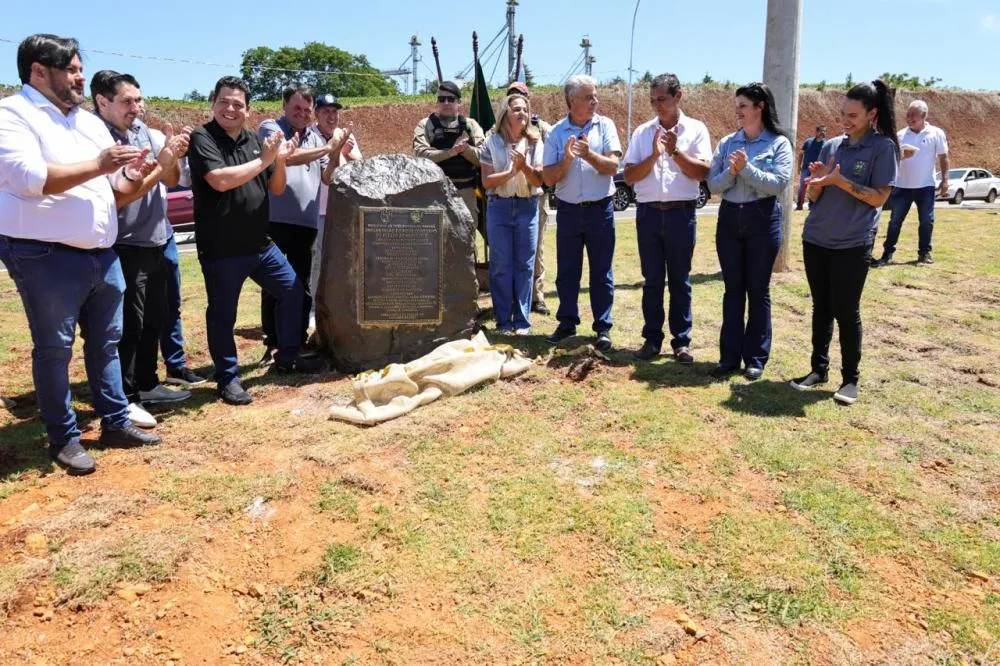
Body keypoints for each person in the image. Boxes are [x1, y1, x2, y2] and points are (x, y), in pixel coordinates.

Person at [0, 34, 161, 475]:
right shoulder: (12, 115)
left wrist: (132, 175)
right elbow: (31, 178)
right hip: (44, 255)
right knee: (55, 348)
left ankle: (113, 422)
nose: (80, 76)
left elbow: (114, 188)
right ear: (38, 70)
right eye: (70, 69)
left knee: (107, 344)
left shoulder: (87, 122)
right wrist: (103, 165)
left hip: (101, 254)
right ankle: (64, 437)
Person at [187, 76, 321, 407]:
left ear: (247, 110)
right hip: (221, 248)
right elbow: (218, 181)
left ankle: (287, 357)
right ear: (213, 104)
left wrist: (277, 160)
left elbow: (275, 188)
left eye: (238, 104)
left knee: (293, 292)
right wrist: (265, 158)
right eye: (224, 102)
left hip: (261, 244)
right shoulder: (203, 138)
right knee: (223, 314)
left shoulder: (252, 140)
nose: (230, 109)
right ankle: (228, 379)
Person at [91, 70, 192, 429]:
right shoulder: (98, 140)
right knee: (128, 325)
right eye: (128, 101)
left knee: (155, 317)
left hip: (157, 239)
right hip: (124, 243)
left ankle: (148, 384)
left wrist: (173, 155)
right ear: (103, 102)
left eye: (139, 99)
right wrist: (162, 162)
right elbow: (122, 196)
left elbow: (172, 179)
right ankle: (128, 395)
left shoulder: (144, 133)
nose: (138, 107)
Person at [790, 80, 899, 405]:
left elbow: (879, 197)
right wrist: (817, 182)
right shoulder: (831, 146)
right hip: (817, 238)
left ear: (872, 114)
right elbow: (814, 197)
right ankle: (817, 370)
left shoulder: (883, 148)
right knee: (821, 308)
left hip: (852, 244)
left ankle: (850, 379)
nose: (845, 120)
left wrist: (840, 180)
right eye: (842, 114)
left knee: (846, 311)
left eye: (852, 115)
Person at [706, 83, 793, 381]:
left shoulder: (779, 144)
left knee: (758, 291)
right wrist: (732, 171)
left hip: (762, 218)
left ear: (760, 107)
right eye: (737, 106)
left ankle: (755, 357)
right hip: (730, 218)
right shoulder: (728, 142)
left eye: (743, 106)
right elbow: (713, 186)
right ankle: (728, 357)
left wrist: (745, 169)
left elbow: (777, 185)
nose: (737, 111)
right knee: (733, 291)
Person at [623, 73, 712, 363]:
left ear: (678, 97)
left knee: (680, 280)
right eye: (652, 101)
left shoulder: (696, 130)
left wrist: (674, 151)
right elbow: (629, 176)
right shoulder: (642, 132)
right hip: (648, 213)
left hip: (681, 213)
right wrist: (653, 155)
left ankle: (681, 342)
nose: (656, 106)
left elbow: (701, 173)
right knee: (651, 280)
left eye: (662, 99)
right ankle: (651, 339)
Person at [257, 85, 343, 365]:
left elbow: (327, 179)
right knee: (274, 285)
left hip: (306, 224)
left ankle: (297, 339)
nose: (302, 114)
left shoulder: (316, 137)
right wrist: (328, 148)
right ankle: (272, 343)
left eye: (307, 110)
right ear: (284, 105)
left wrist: (333, 153)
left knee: (301, 283)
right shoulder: (271, 128)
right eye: (297, 108)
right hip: (275, 220)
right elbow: (285, 157)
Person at [542, 74, 622, 352]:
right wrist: (566, 159)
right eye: (588, 97)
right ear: (571, 100)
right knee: (567, 271)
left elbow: (613, 167)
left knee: (601, 272)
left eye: (595, 95)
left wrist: (588, 155)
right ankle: (567, 323)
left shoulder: (606, 125)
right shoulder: (556, 132)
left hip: (600, 210)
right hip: (568, 212)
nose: (595, 101)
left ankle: (602, 327)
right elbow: (549, 178)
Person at [480, 93, 545, 334]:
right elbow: (487, 182)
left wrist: (524, 167)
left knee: (524, 266)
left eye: (525, 110)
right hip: (500, 207)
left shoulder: (536, 142)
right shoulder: (491, 143)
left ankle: (522, 321)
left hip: (528, 207)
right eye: (517, 109)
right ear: (505, 113)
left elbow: (540, 179)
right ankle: (504, 321)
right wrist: (510, 172)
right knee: (501, 266)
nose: (522, 114)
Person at [872, 100, 949, 266]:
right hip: (902, 186)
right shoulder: (900, 135)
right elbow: (891, 160)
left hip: (926, 185)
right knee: (895, 221)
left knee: (927, 220)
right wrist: (901, 157)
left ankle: (924, 253)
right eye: (908, 114)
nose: (909, 118)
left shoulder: (936, 133)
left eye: (913, 115)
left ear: (924, 116)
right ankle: (887, 254)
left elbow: (943, 157)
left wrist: (945, 180)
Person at [308, 93, 361, 332]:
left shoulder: (346, 136)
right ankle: (311, 310)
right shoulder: (310, 137)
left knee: (343, 259)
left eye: (334, 111)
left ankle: (338, 306)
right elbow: (327, 178)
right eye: (326, 111)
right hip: (317, 210)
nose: (331, 116)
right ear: (316, 114)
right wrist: (335, 151)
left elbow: (361, 166)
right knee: (316, 261)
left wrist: (348, 152)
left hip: (342, 211)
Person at [413, 81, 485, 237]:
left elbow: (484, 158)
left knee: (467, 240)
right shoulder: (426, 125)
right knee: (435, 240)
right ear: (437, 102)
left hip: (466, 193)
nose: (446, 102)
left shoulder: (471, 126)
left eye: (451, 99)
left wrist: (464, 149)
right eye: (441, 99)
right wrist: (450, 152)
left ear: (459, 102)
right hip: (435, 193)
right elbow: (420, 156)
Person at [506, 81, 553, 316]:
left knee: (536, 250)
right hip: (508, 196)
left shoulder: (542, 127)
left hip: (535, 196)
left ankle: (537, 296)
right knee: (510, 250)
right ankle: (515, 296)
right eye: (512, 96)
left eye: (521, 95)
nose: (517, 98)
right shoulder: (501, 128)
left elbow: (553, 154)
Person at [796, 124, 826, 210]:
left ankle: (812, 206)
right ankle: (799, 206)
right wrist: (799, 166)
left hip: (817, 170)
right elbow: (801, 154)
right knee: (802, 187)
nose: (823, 133)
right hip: (806, 168)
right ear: (816, 132)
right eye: (821, 131)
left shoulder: (826, 144)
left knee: (814, 187)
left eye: (824, 131)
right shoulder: (808, 142)